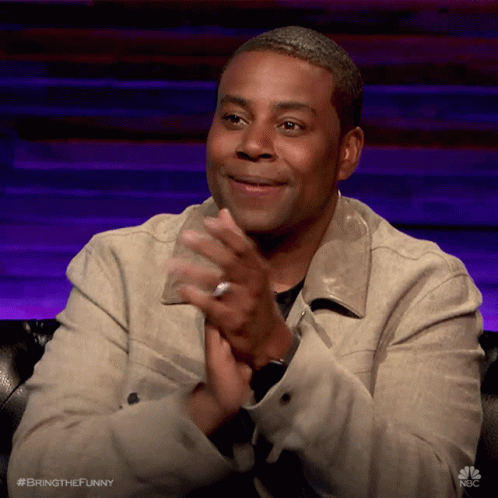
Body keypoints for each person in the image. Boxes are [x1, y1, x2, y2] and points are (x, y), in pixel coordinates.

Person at [8, 26, 483, 498]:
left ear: (346, 152)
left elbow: (434, 488)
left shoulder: (424, 287)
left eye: (290, 125)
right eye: (234, 118)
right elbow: (38, 481)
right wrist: (204, 408)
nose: (252, 145)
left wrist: (281, 354)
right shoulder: (121, 265)